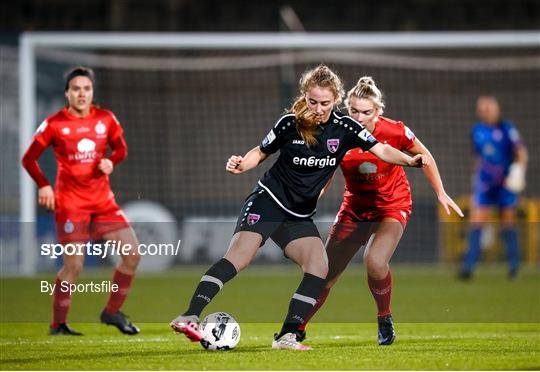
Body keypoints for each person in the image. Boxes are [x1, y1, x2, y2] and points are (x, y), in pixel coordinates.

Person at [169, 65, 427, 350]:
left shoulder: (346, 128)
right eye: (312, 101)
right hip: (268, 202)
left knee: (319, 266)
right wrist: (242, 163)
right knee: (239, 257)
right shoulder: (288, 124)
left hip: (298, 216)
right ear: (305, 96)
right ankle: (190, 315)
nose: (318, 108)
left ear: (336, 101)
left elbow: (381, 150)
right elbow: (260, 151)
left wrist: (410, 160)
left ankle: (287, 336)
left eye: (325, 103)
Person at [295, 76, 463, 345]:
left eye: (366, 112)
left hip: (392, 207)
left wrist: (440, 192)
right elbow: (324, 174)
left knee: (374, 261)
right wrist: (309, 199)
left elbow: (424, 156)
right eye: (354, 111)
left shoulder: (395, 131)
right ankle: (297, 328)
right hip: (355, 209)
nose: (359, 117)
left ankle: (384, 317)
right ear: (346, 108)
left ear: (378, 111)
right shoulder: (337, 132)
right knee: (323, 273)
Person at [21, 67, 141, 335]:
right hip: (71, 203)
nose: (82, 93)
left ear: (92, 92)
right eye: (76, 89)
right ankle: (58, 324)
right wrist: (43, 185)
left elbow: (121, 148)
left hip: (102, 201)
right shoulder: (54, 124)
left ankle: (111, 312)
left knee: (132, 254)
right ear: (67, 93)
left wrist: (111, 160)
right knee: (74, 266)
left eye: (86, 88)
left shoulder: (105, 119)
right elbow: (29, 159)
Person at [459, 96, 528, 280]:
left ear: (497, 108)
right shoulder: (477, 131)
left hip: (505, 185)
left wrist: (518, 173)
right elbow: (478, 158)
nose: (486, 111)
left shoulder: (507, 128)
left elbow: (521, 153)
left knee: (508, 223)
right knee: (476, 222)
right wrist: (475, 181)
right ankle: (468, 267)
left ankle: (514, 267)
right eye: (482, 108)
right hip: (485, 184)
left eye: (489, 107)